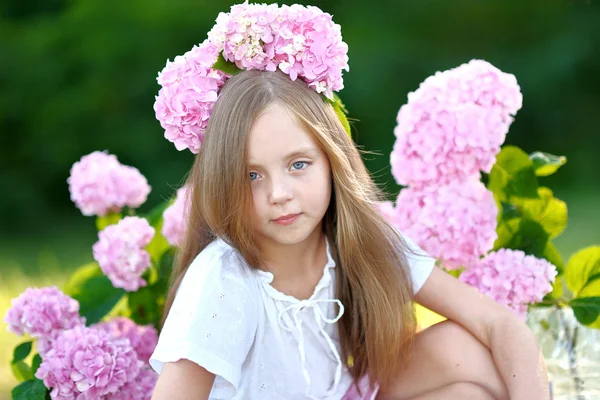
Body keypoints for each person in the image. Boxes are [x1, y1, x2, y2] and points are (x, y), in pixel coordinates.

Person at [149, 5, 550, 400]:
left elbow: (500, 325)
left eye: (298, 164)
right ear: (223, 182)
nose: (279, 194)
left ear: (331, 160)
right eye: (251, 176)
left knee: (471, 366)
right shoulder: (224, 281)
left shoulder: (358, 240)